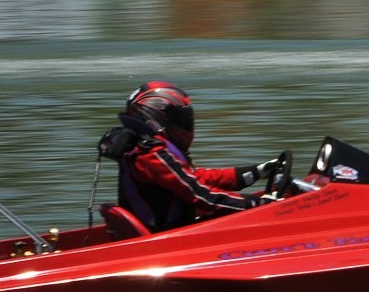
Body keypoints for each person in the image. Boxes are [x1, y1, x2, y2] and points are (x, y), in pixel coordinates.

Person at [97, 81, 285, 233]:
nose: (185, 125)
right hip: (166, 241)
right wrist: (256, 204)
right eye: (180, 119)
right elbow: (198, 194)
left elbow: (195, 179)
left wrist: (257, 172)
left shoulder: (142, 150)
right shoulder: (151, 154)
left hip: (168, 232)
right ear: (155, 115)